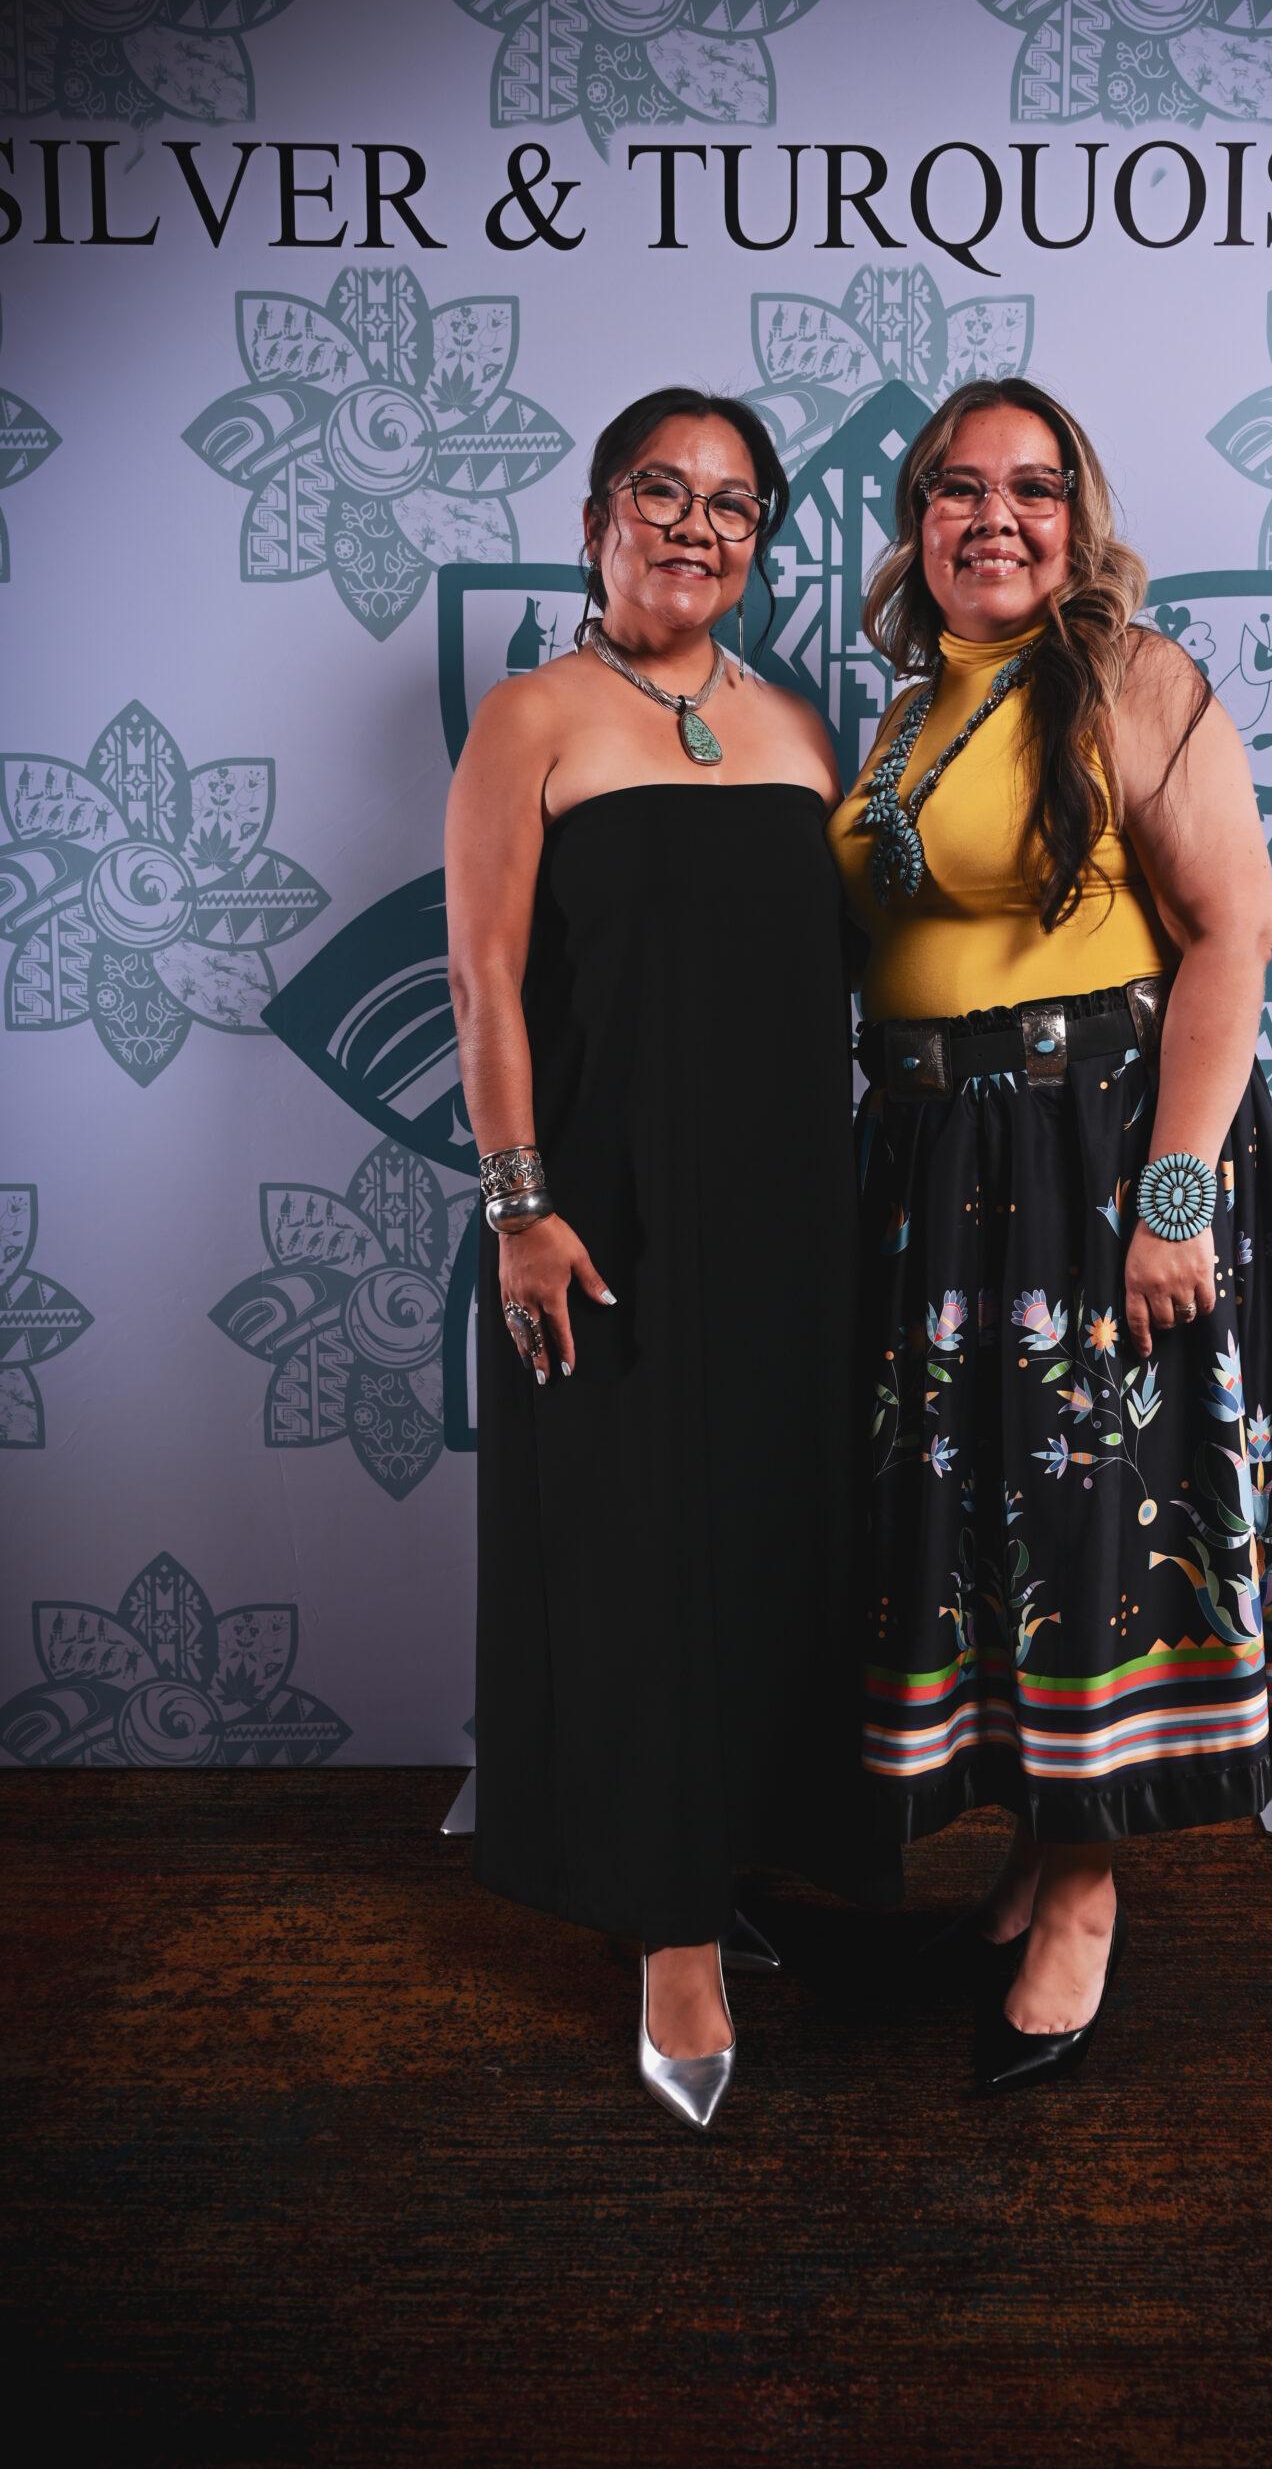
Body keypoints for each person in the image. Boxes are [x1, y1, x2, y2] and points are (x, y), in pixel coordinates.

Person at [828, 376, 1272, 2092]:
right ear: (915, 520)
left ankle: (1089, 1891)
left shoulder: (1134, 679)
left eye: (1032, 488)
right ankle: (1038, 1851)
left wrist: (1173, 1199)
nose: (995, 518)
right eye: (957, 488)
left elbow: (1234, 934)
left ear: (1079, 517)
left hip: (1091, 1147)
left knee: (1093, 1505)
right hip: (931, 1157)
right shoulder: (908, 710)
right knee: (994, 1513)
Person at [445, 386, 893, 2132]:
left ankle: (741, 1853)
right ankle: (667, 1931)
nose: (698, 525)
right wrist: (521, 1204)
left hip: (792, 1215)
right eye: (662, 490)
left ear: (759, 540)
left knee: (771, 1537)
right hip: (601, 1217)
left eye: (733, 503)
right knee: (630, 1552)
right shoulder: (532, 717)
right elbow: (485, 976)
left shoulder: (799, 729)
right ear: (597, 519)